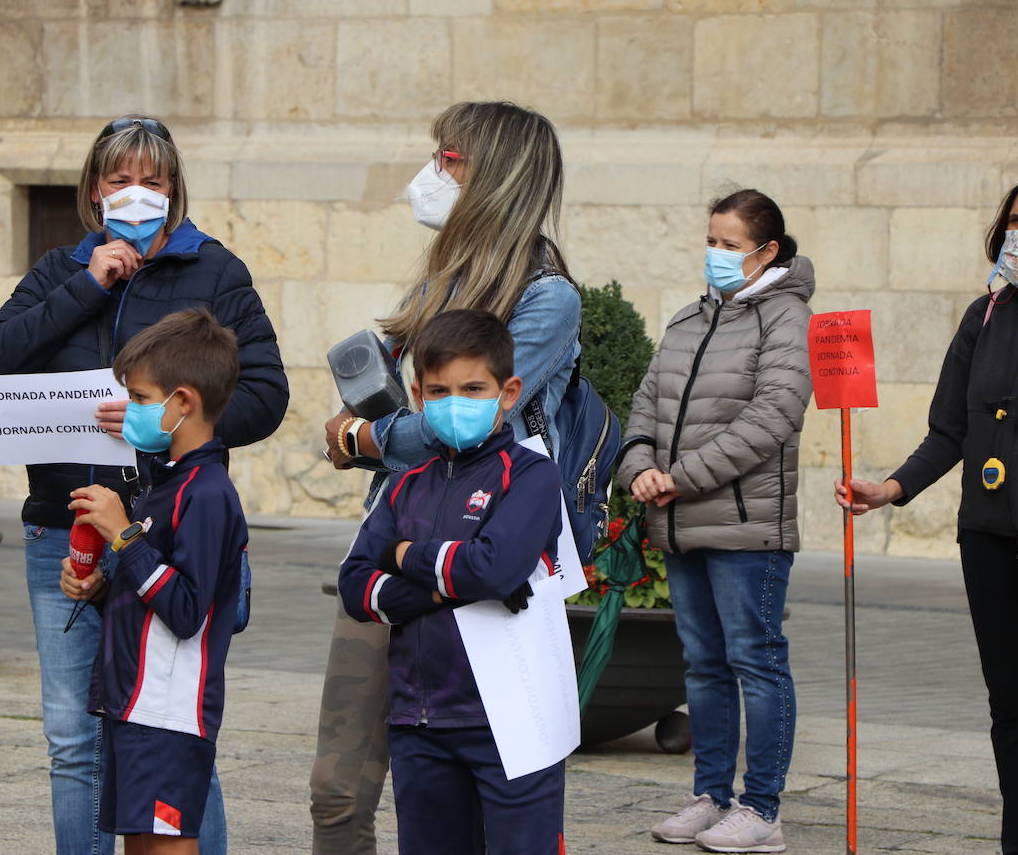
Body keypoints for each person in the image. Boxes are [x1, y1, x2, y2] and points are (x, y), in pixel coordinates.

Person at [0, 115, 288, 855]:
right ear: (94, 189)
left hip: (172, 533)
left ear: (174, 190)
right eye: (121, 178)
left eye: (153, 179)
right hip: (66, 531)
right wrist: (89, 285)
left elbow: (266, 395)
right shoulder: (61, 269)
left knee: (174, 732)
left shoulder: (215, 272)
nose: (137, 192)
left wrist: (170, 420)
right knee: (74, 741)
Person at [311, 101, 582, 854]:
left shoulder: (545, 296)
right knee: (339, 786)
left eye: (448, 157)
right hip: (401, 525)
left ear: (491, 175)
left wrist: (369, 436)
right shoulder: (443, 278)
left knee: (492, 798)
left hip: (485, 566)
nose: (431, 173)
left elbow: (451, 428)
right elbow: (422, 427)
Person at [836, 171, 1018, 855]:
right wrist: (890, 488)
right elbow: (949, 431)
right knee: (1011, 703)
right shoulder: (984, 315)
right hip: (986, 538)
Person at [618, 188, 813, 853]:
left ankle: (762, 809)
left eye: (730, 244)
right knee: (702, 665)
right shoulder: (688, 320)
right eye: (711, 240)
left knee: (755, 661)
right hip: (678, 522)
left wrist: (681, 476)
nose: (716, 254)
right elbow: (645, 403)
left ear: (768, 252)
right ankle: (710, 796)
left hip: (745, 527)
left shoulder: (783, 319)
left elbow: (773, 416)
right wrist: (639, 466)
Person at [337, 308, 567, 855]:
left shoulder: (532, 473)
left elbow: (492, 569)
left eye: (472, 388)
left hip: (513, 722)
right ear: (417, 395)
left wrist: (401, 554)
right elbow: (354, 585)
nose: (454, 402)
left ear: (508, 392)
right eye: (438, 391)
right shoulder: (403, 484)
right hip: (419, 723)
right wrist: (446, 584)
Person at [60, 307, 247, 854]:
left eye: (140, 399)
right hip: (134, 703)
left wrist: (125, 538)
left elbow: (188, 611)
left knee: (167, 845)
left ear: (183, 402)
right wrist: (97, 590)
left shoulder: (208, 492)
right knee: (140, 845)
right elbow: (149, 601)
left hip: (167, 709)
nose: (131, 411)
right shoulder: (164, 483)